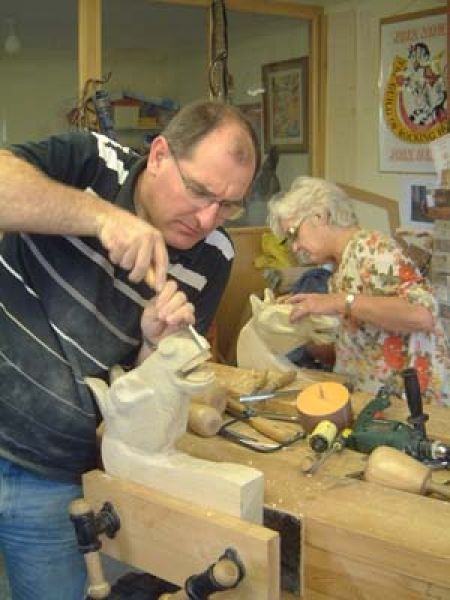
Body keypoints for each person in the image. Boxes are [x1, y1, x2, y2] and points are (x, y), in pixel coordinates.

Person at [0, 99, 258, 599]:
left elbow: (142, 397)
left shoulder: (214, 255)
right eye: (199, 190)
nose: (208, 218)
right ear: (160, 155)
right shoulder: (92, 162)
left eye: (228, 205)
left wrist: (154, 347)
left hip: (54, 477)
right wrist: (101, 218)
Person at [268, 176, 449, 405]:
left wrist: (338, 302)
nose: (294, 246)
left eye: (294, 233)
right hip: (378, 402)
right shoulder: (340, 269)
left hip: (415, 406)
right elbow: (355, 349)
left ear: (320, 216)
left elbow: (422, 314)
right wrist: (300, 329)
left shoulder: (369, 247)